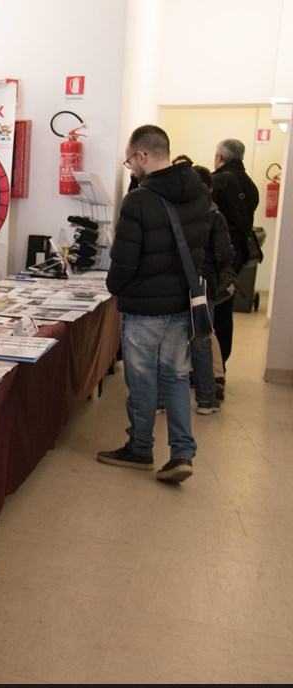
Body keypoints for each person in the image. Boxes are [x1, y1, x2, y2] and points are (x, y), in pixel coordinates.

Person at [97, 125, 209, 484]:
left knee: (142, 380)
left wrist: (113, 287)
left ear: (142, 155)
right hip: (181, 303)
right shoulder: (198, 192)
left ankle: (140, 448)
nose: (131, 167)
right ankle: (182, 453)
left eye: (130, 160)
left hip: (144, 307)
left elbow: (124, 260)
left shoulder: (139, 200)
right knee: (176, 377)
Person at [211, 138, 260, 398]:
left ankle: (212, 373)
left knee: (209, 314)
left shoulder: (218, 181)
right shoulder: (251, 185)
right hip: (236, 259)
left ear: (220, 157)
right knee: (224, 311)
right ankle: (220, 369)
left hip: (217, 259)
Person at [189, 165, 234, 415]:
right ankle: (206, 399)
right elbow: (225, 253)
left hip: (179, 280)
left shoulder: (179, 212)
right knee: (202, 338)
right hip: (203, 282)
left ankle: (161, 400)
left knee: (171, 340)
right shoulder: (214, 216)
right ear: (210, 188)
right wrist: (214, 271)